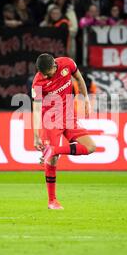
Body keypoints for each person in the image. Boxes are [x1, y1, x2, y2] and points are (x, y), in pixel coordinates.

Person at [32, 54, 96, 210]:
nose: (46, 76)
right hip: (50, 120)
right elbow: (36, 109)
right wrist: (35, 136)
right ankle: (52, 201)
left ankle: (54, 150)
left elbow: (79, 78)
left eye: (48, 73)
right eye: (43, 74)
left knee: (90, 147)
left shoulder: (67, 63)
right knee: (53, 161)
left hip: (69, 117)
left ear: (55, 65)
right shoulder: (37, 82)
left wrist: (85, 98)